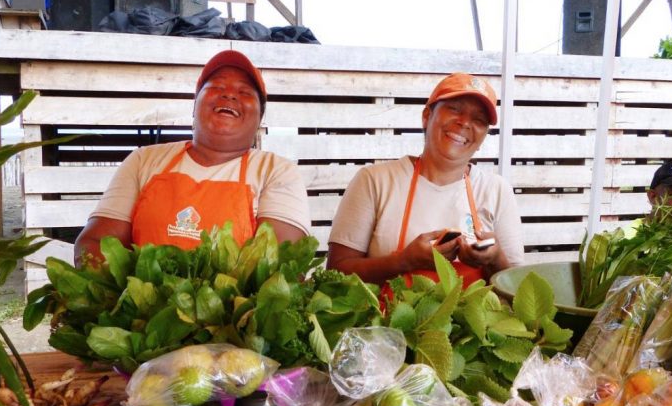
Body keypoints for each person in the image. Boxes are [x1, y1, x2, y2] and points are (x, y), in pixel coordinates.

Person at [74, 50, 310, 264]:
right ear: (194, 107)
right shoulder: (143, 160)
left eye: (244, 92)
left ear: (260, 119)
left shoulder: (275, 171)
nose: (229, 95)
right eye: (216, 87)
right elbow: (94, 244)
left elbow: (283, 267)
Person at [326, 72, 524, 287]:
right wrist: (404, 261)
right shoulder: (375, 180)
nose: (465, 123)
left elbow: (515, 286)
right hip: (383, 320)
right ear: (426, 116)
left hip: (471, 320)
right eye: (454, 109)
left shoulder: (495, 190)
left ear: (484, 135)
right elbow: (337, 271)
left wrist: (494, 259)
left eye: (479, 120)